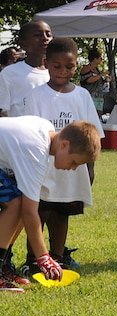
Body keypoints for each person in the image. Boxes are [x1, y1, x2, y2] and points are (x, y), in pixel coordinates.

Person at [19, 37, 105, 276]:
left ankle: (58, 257)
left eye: (69, 67)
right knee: (41, 211)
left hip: (72, 169)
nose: (62, 71)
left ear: (76, 66)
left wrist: (90, 167)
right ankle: (34, 259)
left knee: (62, 212)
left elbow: (92, 135)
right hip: (43, 167)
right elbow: (28, 131)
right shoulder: (36, 95)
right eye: (57, 66)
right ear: (46, 64)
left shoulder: (81, 96)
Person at [0, 116, 100, 292]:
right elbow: (30, 212)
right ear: (64, 145)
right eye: (75, 162)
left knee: (21, 201)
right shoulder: (36, 153)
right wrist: (43, 257)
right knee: (16, 205)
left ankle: (3, 264)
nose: (73, 168)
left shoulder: (46, 129)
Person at [0, 20, 52, 285]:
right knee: (20, 206)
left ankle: (5, 260)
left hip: (39, 152)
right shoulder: (10, 74)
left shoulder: (54, 73)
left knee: (25, 208)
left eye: (48, 34)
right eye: (37, 35)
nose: (44, 39)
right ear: (22, 42)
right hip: (14, 153)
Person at [79, 47, 107, 112]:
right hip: (90, 96)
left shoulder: (97, 69)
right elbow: (88, 80)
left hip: (99, 96)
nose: (101, 59)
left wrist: (105, 80)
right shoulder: (86, 69)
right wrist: (101, 74)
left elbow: (98, 81)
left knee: (99, 114)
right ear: (95, 59)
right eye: (100, 58)